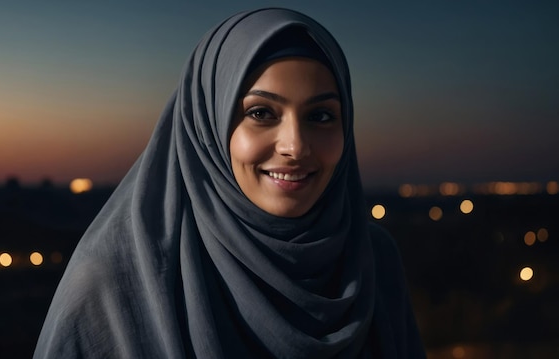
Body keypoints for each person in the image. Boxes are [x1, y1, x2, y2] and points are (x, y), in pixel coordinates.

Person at [34, 8, 425, 358]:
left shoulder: (372, 258)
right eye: (261, 112)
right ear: (206, 127)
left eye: (321, 116)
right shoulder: (116, 283)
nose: (295, 146)